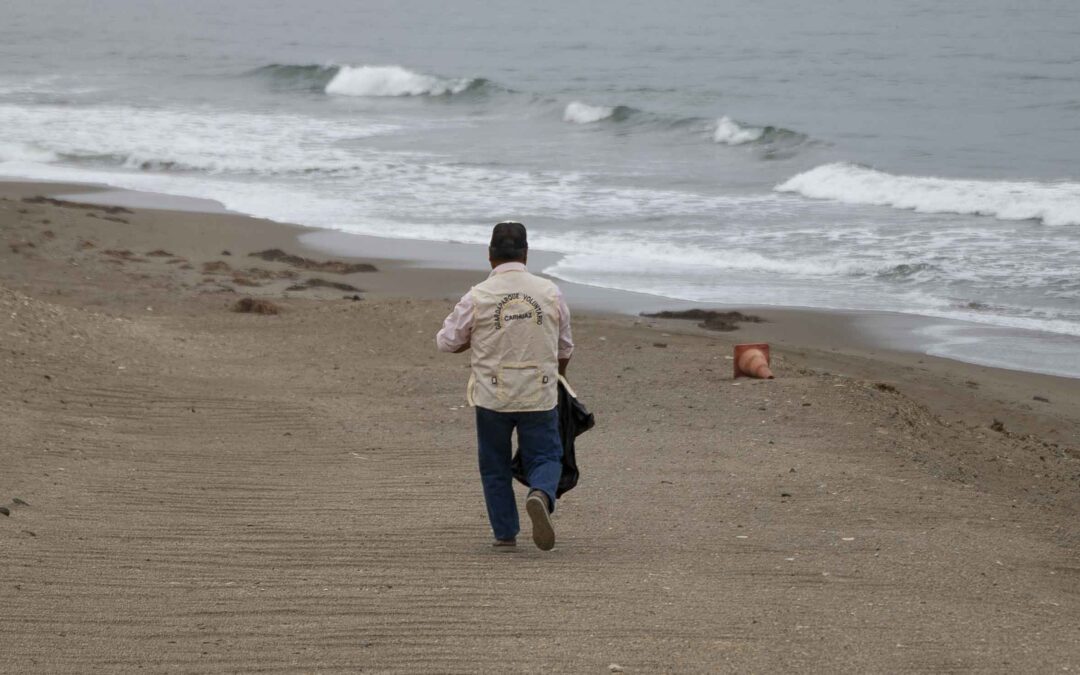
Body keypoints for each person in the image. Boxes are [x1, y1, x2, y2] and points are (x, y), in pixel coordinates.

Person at [436, 222, 574, 551]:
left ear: (490, 256)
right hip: (538, 389)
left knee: (494, 463)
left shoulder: (479, 295)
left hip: (492, 392)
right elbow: (564, 346)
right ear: (526, 253)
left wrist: (477, 339)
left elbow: (446, 342)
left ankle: (505, 533)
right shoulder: (549, 292)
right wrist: (559, 379)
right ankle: (540, 492)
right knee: (546, 456)